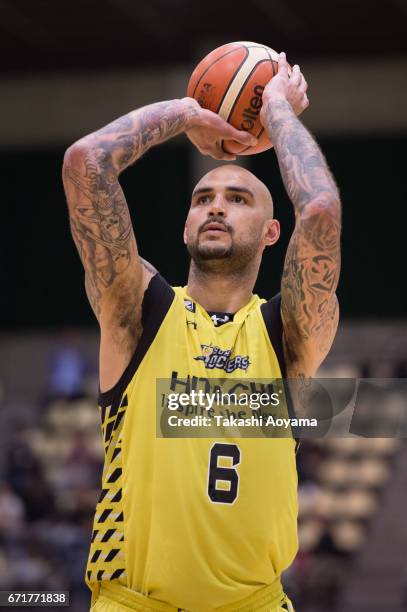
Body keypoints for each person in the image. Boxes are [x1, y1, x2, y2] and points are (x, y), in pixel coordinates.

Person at [63, 52, 341, 612]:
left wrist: (279, 110)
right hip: (133, 602)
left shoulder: (286, 332)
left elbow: (319, 208)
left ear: (269, 232)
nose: (216, 207)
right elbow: (85, 162)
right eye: (202, 199)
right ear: (186, 224)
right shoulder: (137, 310)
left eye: (237, 199)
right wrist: (187, 112)